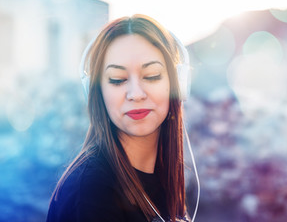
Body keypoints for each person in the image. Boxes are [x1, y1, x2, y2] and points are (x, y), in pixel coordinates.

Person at [46, 14, 194, 222]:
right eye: (117, 80)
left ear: (177, 84)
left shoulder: (161, 178)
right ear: (96, 92)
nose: (136, 93)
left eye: (151, 75)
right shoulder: (90, 193)